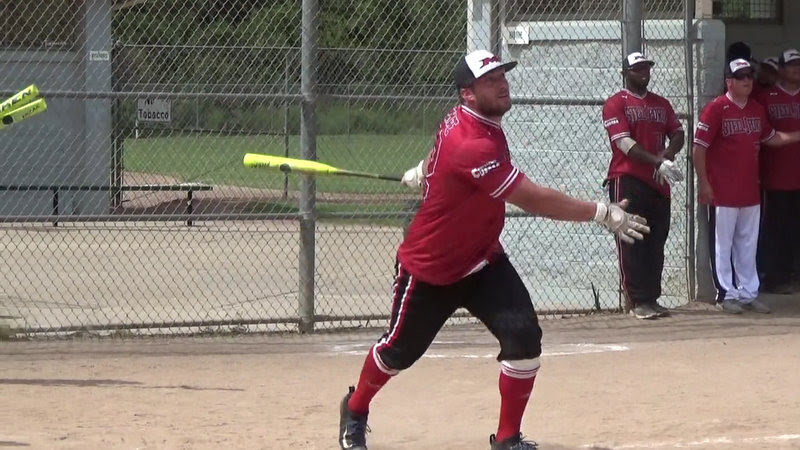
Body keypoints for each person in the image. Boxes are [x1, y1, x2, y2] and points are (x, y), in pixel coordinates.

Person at [338, 49, 650, 450]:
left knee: (523, 338)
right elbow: (533, 199)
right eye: (491, 81)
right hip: (431, 268)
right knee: (398, 352)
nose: (503, 84)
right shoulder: (473, 143)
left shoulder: (473, 121)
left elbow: (444, 148)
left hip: (483, 259)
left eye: (502, 76)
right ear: (467, 93)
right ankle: (355, 409)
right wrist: (601, 212)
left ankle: (506, 439)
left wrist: (427, 167)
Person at [693, 58, 800, 314]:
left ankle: (748, 292)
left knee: (748, 244)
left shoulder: (756, 109)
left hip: (750, 190)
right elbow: (699, 148)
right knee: (723, 244)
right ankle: (726, 294)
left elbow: (771, 138)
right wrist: (704, 182)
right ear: (729, 81)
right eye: (740, 76)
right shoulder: (716, 108)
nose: (747, 81)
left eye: (750, 76)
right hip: (722, 191)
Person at [601, 52, 685, 320]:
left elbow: (678, 132)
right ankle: (637, 300)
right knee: (632, 240)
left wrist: (667, 155)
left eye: (646, 68)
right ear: (626, 73)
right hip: (628, 179)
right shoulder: (616, 103)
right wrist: (656, 161)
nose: (644, 73)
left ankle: (652, 297)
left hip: (658, 181)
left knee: (657, 239)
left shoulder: (661, 103)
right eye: (637, 69)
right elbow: (624, 143)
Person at [755, 49, 800, 294]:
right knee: (776, 228)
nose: (796, 69)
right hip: (776, 175)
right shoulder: (766, 97)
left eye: (799, 64)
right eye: (791, 65)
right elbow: (761, 136)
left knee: (795, 228)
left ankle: (793, 275)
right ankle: (774, 278)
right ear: (780, 69)